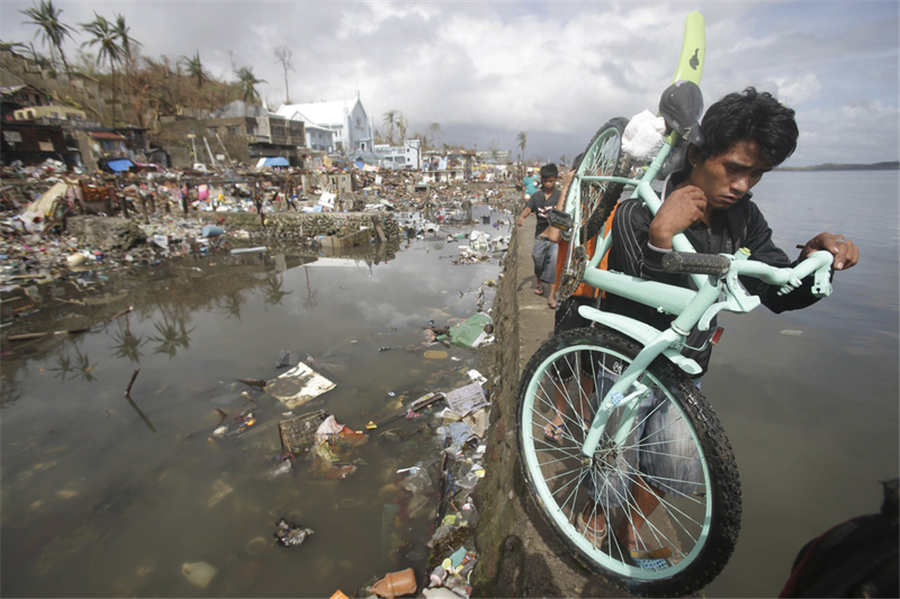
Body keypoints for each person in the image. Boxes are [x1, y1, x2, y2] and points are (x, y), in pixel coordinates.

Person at [561, 88, 860, 567]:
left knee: (676, 465)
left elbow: (773, 290)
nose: (742, 185)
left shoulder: (745, 217)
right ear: (698, 153)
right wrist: (662, 233)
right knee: (611, 461)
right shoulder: (646, 202)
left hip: (685, 364)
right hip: (623, 361)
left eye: (756, 174)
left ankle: (632, 528)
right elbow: (632, 279)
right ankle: (595, 519)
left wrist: (814, 261)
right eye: (733, 168)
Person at [517, 163, 561, 307]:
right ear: (541, 180)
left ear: (555, 180)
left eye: (551, 181)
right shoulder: (537, 196)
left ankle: (551, 296)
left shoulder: (560, 196)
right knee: (537, 259)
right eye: (546, 181)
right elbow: (529, 208)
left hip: (555, 237)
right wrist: (522, 217)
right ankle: (540, 282)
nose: (548, 184)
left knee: (554, 262)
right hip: (540, 235)